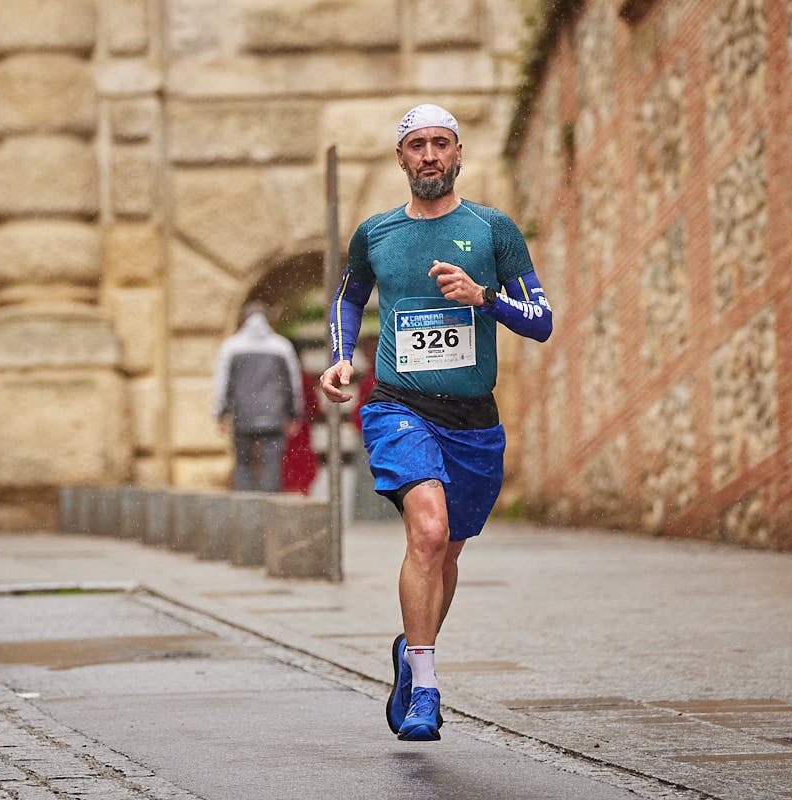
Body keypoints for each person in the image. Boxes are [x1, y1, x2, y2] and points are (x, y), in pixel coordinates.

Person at [319, 104, 553, 742]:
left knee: (447, 550)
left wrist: (485, 298)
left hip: (475, 418)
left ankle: (408, 651)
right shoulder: (376, 233)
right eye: (417, 145)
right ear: (401, 158)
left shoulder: (493, 230)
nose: (429, 155)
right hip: (399, 405)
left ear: (458, 154)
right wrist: (342, 358)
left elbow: (541, 319)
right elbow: (348, 296)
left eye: (440, 144)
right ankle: (425, 688)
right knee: (427, 531)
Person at [213, 301, 304, 492]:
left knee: (243, 464)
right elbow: (293, 384)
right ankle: (269, 511)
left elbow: (221, 383)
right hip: (273, 417)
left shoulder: (231, 347)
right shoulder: (281, 347)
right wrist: (295, 414)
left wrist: (220, 413)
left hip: (242, 416)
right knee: (272, 466)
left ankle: (246, 511)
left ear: (243, 320)